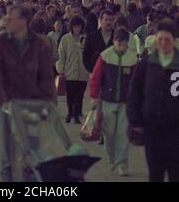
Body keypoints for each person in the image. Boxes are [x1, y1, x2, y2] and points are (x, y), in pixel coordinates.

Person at [0, 4, 56, 182]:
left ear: (23, 21)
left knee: (32, 153)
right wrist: (3, 99)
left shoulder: (40, 44)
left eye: (12, 17)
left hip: (32, 105)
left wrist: (47, 102)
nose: (7, 20)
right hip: (8, 106)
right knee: (8, 156)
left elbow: (47, 77)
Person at [127, 21, 179, 182]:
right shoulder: (146, 64)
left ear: (175, 40)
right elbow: (134, 94)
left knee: (176, 172)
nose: (163, 43)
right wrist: (135, 120)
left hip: (176, 130)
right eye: (160, 39)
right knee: (155, 172)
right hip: (152, 128)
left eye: (167, 39)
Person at [90, 27, 138, 177]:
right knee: (109, 134)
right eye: (119, 44)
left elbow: (137, 82)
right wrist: (93, 97)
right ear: (114, 41)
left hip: (125, 102)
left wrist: (136, 101)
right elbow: (96, 78)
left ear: (128, 43)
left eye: (124, 44)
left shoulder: (133, 59)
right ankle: (111, 158)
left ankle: (122, 164)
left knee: (122, 134)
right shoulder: (105, 56)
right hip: (107, 101)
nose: (122, 47)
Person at [56, 16, 89, 124]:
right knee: (70, 95)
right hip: (69, 71)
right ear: (71, 27)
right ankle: (70, 112)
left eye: (79, 27)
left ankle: (75, 115)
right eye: (75, 27)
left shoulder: (85, 39)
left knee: (80, 95)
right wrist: (61, 70)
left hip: (83, 71)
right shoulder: (65, 39)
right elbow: (61, 55)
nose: (77, 29)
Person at [83, 9, 115, 73]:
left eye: (111, 20)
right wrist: (93, 70)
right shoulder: (91, 37)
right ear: (101, 21)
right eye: (106, 20)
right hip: (96, 73)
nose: (109, 22)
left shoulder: (118, 37)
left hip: (113, 75)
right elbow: (86, 57)